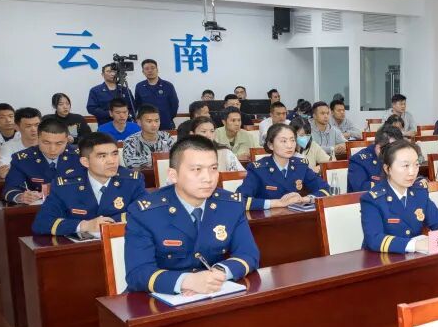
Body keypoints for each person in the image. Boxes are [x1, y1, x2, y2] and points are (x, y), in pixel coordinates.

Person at [123, 136, 259, 295]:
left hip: (212, 294)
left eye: (213, 168)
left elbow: (248, 254)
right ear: (173, 175)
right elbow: (137, 273)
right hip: (158, 299)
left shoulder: (231, 205)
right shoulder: (145, 213)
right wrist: (186, 281)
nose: (208, 178)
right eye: (197, 170)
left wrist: (218, 273)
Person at [33, 131, 146, 236]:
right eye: (102, 156)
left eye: (114, 154)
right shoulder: (65, 186)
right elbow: (42, 222)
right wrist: (84, 225)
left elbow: (147, 213)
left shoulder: (132, 181)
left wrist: (108, 222)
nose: (112, 161)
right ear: (85, 162)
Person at [360, 139, 438, 254]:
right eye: (405, 166)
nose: (412, 172)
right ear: (387, 168)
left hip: (414, 259)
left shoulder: (419, 193)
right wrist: (415, 245)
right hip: (381, 259)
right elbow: (374, 239)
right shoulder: (372, 199)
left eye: (416, 165)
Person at [238, 123, 331, 210]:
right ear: (271, 145)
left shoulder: (301, 166)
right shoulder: (258, 169)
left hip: (296, 217)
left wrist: (305, 199)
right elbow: (240, 199)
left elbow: (326, 189)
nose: (290, 146)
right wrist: (277, 203)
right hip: (268, 219)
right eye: (283, 141)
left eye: (292, 140)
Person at [3, 116, 83, 204]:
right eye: (46, 142)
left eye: (59, 143)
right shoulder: (22, 160)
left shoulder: (80, 156)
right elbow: (10, 188)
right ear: (38, 139)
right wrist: (21, 197)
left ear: (67, 140)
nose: (52, 149)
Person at [348, 125, 403, 193]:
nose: (395, 153)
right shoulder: (359, 161)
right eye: (392, 149)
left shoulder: (400, 156)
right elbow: (361, 189)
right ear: (378, 147)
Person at [133, 59, 180, 131]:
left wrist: (167, 117)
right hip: (147, 124)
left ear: (157, 70)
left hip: (165, 123)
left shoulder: (168, 85)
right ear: (143, 72)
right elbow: (138, 105)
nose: (150, 70)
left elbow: (174, 104)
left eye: (152, 68)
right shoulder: (139, 86)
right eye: (147, 69)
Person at [0, 107, 42, 177]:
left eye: (37, 125)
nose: (34, 129)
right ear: (17, 127)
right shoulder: (8, 146)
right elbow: (4, 173)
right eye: (28, 126)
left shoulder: (52, 143)